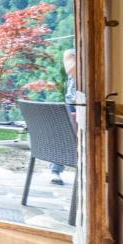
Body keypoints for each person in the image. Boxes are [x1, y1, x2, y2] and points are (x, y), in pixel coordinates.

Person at [49, 48, 77, 185]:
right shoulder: (70, 53)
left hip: (92, 103)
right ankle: (56, 170)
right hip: (73, 102)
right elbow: (72, 70)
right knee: (64, 134)